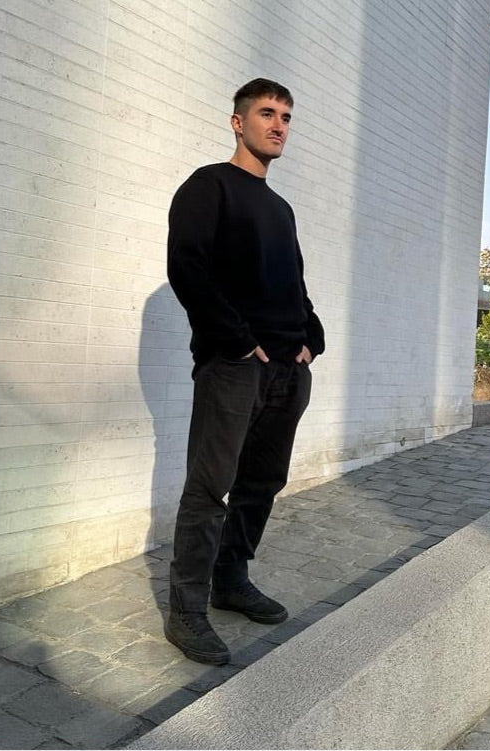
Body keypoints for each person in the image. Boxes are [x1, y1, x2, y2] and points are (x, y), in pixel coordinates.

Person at [164, 78, 325, 664]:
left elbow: (294, 283)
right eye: (266, 113)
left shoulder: (280, 208)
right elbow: (187, 268)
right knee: (210, 489)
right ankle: (186, 611)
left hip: (288, 372)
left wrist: (312, 339)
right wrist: (238, 344)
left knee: (263, 484)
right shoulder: (209, 187)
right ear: (238, 122)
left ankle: (230, 582)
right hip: (234, 369)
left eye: (286, 115)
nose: (278, 124)